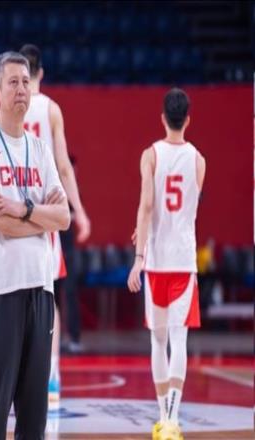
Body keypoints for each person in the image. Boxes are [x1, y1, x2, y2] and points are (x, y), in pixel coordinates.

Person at [0, 51, 70, 440]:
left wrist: (23, 209)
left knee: (34, 419)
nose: (22, 89)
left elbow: (64, 218)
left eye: (26, 81)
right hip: (0, 290)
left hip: (40, 289)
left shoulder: (40, 149)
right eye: (13, 82)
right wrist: (40, 219)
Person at [127, 88, 206, 440]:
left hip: (156, 261)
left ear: (162, 118)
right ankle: (172, 421)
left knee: (158, 342)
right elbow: (187, 209)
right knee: (179, 340)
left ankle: (163, 418)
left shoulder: (150, 155)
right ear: (188, 119)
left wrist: (138, 258)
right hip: (183, 261)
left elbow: (147, 206)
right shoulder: (199, 161)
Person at [20, 43, 91, 405]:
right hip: (47, 214)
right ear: (42, 73)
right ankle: (52, 375)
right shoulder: (51, 109)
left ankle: (21, 376)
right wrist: (79, 211)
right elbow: (64, 167)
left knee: (17, 298)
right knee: (49, 298)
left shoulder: (10, 106)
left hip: (18, 214)